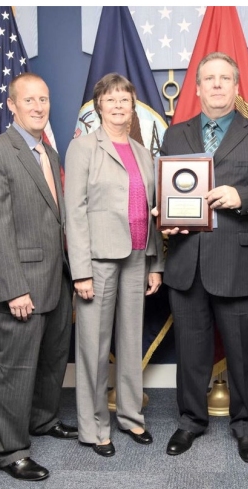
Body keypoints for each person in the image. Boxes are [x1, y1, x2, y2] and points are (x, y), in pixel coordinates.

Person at [157, 51, 248, 463]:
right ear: (196, 88)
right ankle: (190, 421)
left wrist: (241, 196)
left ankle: (247, 427)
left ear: (235, 87)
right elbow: (166, 192)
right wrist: (165, 218)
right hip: (186, 262)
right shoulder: (175, 134)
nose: (216, 85)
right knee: (190, 351)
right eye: (208, 78)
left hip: (237, 262)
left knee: (243, 353)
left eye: (223, 78)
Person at [0, 72, 77, 481]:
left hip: (56, 280)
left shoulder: (48, 153)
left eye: (44, 100)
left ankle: (43, 421)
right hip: (22, 286)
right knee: (13, 369)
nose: (38, 107)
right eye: (28, 100)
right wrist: (13, 288)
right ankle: (9, 449)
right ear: (11, 106)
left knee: (51, 362)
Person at [64, 73, 163, 457]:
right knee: (93, 345)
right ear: (99, 106)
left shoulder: (141, 151)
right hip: (99, 260)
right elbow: (74, 212)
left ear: (133, 105)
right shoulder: (83, 148)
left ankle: (131, 417)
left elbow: (150, 212)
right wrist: (81, 271)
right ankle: (93, 428)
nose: (119, 105)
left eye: (125, 99)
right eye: (111, 99)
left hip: (138, 256)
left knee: (130, 341)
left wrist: (155, 262)